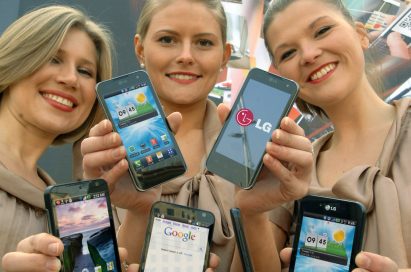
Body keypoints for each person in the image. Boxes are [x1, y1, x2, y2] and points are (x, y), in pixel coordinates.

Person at [78, 0, 313, 271]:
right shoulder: (102, 153)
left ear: (225, 55)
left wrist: (253, 214)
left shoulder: (259, 149)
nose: (186, 56)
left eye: (203, 43)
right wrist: (138, 212)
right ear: (140, 48)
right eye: (167, 39)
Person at [262, 0, 411, 271]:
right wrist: (251, 213)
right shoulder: (290, 170)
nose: (307, 54)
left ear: (361, 35)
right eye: (288, 53)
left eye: (321, 31)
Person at [0, 5, 136, 272]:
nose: (71, 79)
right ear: (16, 58)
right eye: (53, 58)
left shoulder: (66, 205)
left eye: (85, 71)